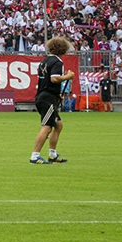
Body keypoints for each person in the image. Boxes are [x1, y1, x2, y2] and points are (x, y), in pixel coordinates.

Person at [31, 35, 75, 164]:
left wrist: (57, 94)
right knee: (47, 127)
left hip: (46, 96)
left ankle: (52, 154)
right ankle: (35, 156)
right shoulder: (57, 62)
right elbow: (54, 79)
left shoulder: (44, 61)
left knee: (58, 125)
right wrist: (68, 76)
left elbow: (46, 81)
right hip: (47, 98)